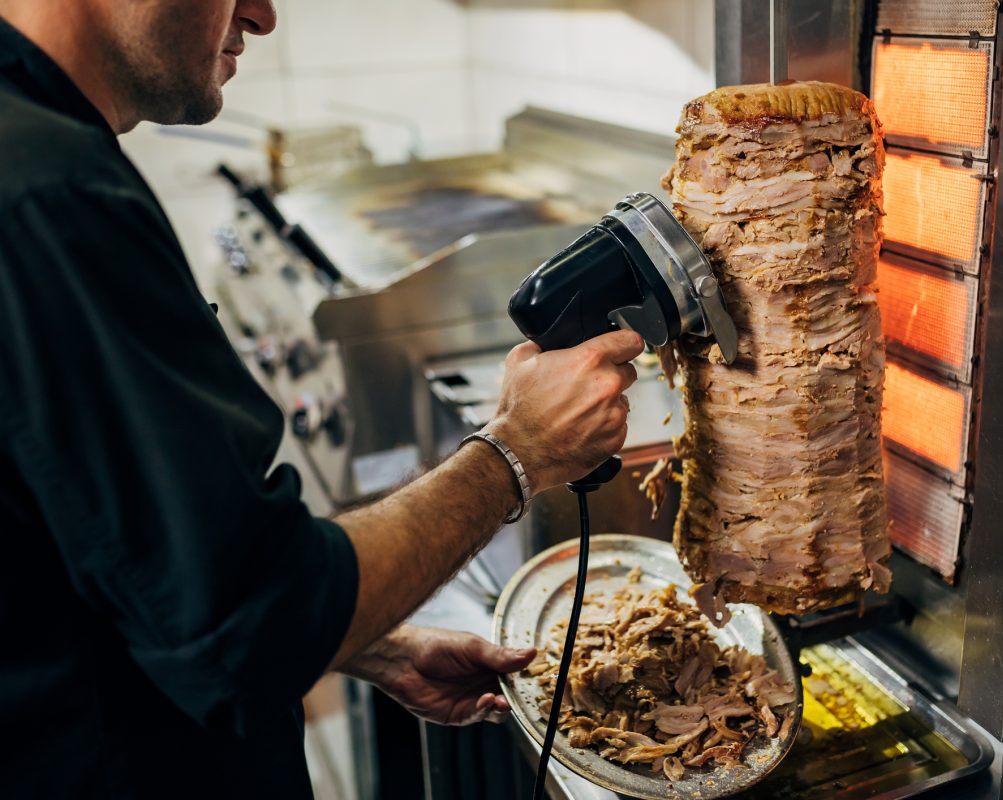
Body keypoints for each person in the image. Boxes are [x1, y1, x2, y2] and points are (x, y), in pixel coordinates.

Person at [0, 1, 645, 797]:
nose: (263, 15)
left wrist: (359, 637)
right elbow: (246, 624)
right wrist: (516, 451)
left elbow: (123, 552)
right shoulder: (46, 191)